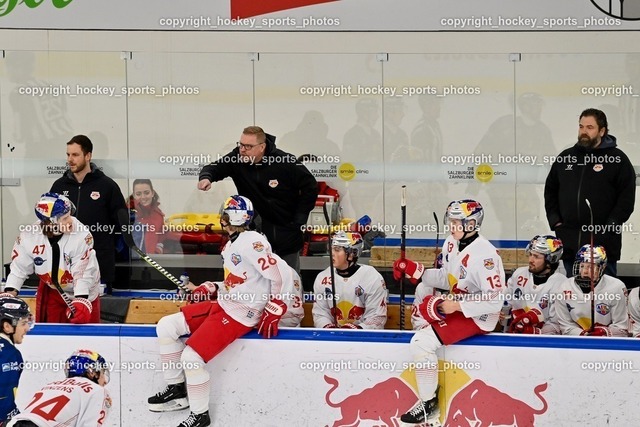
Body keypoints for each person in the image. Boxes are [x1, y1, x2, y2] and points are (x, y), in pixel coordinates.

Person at [147, 195, 302, 427]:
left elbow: (282, 273)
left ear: (234, 216)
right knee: (166, 326)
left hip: (240, 314)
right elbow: (238, 281)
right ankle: (177, 391)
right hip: (225, 305)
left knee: (191, 357)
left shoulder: (251, 241)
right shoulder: (233, 243)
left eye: (226, 213)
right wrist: (211, 286)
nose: (222, 217)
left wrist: (276, 305)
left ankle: (200, 415)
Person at [392, 199, 505, 426]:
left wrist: (457, 306)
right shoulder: (451, 244)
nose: (452, 226)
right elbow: (447, 277)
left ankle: (428, 406)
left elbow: (495, 300)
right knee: (424, 326)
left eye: (457, 222)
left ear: (472, 223)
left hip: (480, 316)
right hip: (460, 305)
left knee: (421, 343)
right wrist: (418, 271)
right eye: (451, 221)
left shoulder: (486, 255)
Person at [198, 126, 318, 273]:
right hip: (254, 235)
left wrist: (300, 218)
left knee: (289, 284)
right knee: (254, 283)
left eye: (248, 146)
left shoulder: (285, 161)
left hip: (286, 235)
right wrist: (206, 178)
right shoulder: (237, 158)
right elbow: (214, 168)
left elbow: (310, 186)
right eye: (241, 144)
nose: (242, 149)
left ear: (262, 147)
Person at [544, 108, 636, 277]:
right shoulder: (566, 158)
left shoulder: (617, 159)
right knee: (574, 297)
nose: (584, 132)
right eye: (581, 127)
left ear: (602, 131)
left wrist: (610, 227)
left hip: (602, 246)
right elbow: (550, 190)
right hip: (570, 242)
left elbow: (626, 200)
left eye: (589, 127)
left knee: (604, 297)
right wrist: (556, 221)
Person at [2, 193, 101, 324]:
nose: (70, 221)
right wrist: (9, 293)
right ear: (50, 223)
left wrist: (81, 298)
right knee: (54, 336)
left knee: (86, 338)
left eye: (69, 215)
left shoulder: (81, 234)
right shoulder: (29, 236)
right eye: (65, 218)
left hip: (86, 294)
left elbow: (83, 271)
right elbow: (19, 268)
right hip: (54, 293)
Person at [50, 135, 127, 294]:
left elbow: (121, 225)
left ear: (88, 156)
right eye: (68, 155)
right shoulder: (58, 186)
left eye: (75, 155)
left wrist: (106, 248)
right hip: (64, 268)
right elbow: (48, 222)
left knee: (97, 315)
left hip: (98, 267)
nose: (70, 159)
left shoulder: (107, 186)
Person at [7, 349, 112, 427]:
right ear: (92, 372)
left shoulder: (50, 385)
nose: (104, 380)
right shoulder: (97, 391)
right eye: (102, 372)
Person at [312, 231, 387, 329]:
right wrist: (327, 327)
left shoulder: (371, 277)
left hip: (363, 340)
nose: (332, 254)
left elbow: (376, 317)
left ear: (352, 254)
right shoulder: (323, 278)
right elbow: (320, 313)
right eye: (331, 249)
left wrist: (357, 329)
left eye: (337, 250)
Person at [554, 244, 628, 337]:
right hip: (576, 344)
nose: (584, 271)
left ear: (602, 268)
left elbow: (622, 327)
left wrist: (605, 332)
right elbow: (565, 325)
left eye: (591, 267)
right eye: (581, 266)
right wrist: (582, 335)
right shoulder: (564, 287)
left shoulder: (616, 287)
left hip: (607, 345)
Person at [504, 235, 566, 335]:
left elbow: (557, 325)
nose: (530, 260)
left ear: (550, 261)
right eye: (530, 255)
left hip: (543, 343)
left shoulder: (561, 284)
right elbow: (505, 301)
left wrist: (536, 333)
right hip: (515, 334)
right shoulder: (519, 274)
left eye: (536, 257)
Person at [0, 297, 33, 426]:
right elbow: (3, 402)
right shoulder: (10, 354)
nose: (27, 328)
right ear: (7, 326)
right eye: (23, 323)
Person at [128, 178, 165, 254]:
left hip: (151, 262)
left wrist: (157, 250)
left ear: (152, 193)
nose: (143, 197)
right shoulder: (127, 214)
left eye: (146, 193)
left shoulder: (158, 215)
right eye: (138, 194)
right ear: (134, 195)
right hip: (131, 261)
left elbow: (161, 237)